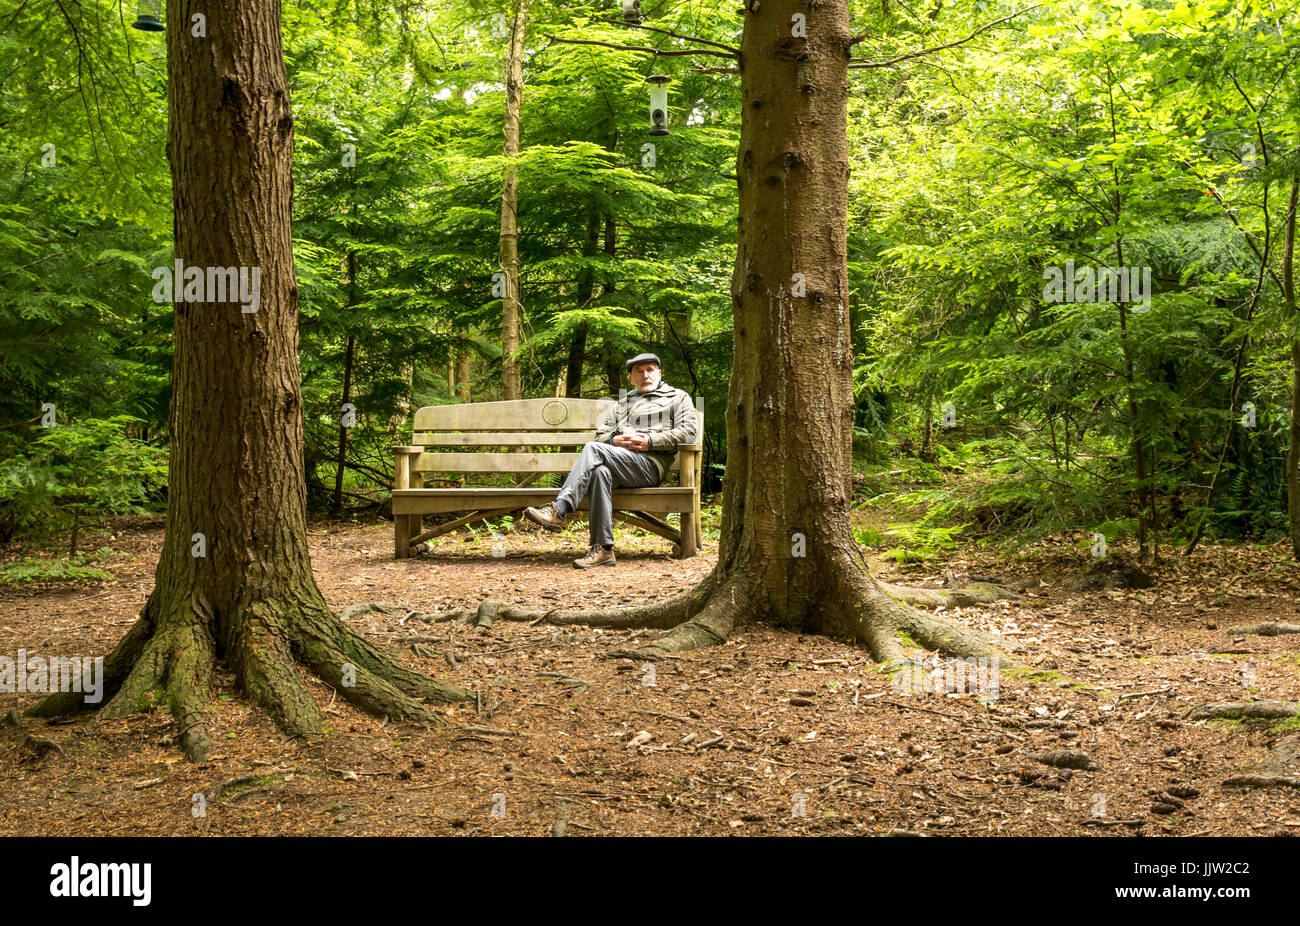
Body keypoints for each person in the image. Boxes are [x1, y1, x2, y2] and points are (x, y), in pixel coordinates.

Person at [525, 352, 698, 568]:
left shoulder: (677, 397)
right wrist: (614, 440)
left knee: (592, 450)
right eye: (639, 371)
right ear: (631, 378)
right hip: (618, 463)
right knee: (599, 473)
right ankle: (603, 549)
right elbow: (600, 437)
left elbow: (689, 432)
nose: (645, 375)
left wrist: (651, 441)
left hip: (650, 466)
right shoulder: (622, 404)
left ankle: (559, 509)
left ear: (659, 373)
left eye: (650, 370)